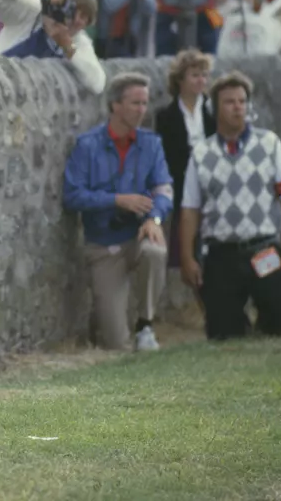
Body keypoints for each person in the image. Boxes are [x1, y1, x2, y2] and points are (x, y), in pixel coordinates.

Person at [179, 73, 281, 341]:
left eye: (243, 101)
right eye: (230, 102)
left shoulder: (270, 143)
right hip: (221, 254)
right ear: (214, 108)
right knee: (224, 333)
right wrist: (187, 258)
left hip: (264, 250)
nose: (238, 107)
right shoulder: (201, 153)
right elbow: (190, 209)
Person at [63, 72, 173, 351]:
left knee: (155, 250)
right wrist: (116, 200)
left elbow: (164, 189)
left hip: (137, 236)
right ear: (115, 105)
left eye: (145, 103)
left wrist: (154, 218)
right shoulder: (87, 145)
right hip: (102, 245)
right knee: (115, 344)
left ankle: (145, 324)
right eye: (135, 103)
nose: (142, 110)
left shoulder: (152, 144)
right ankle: (108, 327)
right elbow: (72, 196)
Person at [0, 0, 106, 95]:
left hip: (28, 97)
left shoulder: (79, 41)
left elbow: (97, 84)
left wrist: (66, 44)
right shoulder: (33, 10)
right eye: (75, 12)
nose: (79, 21)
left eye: (86, 19)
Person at [155, 50, 214, 270]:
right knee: (188, 254)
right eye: (195, 75)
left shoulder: (213, 111)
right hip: (182, 187)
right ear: (180, 79)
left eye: (204, 75)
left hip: (213, 184)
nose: (201, 80)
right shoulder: (165, 117)